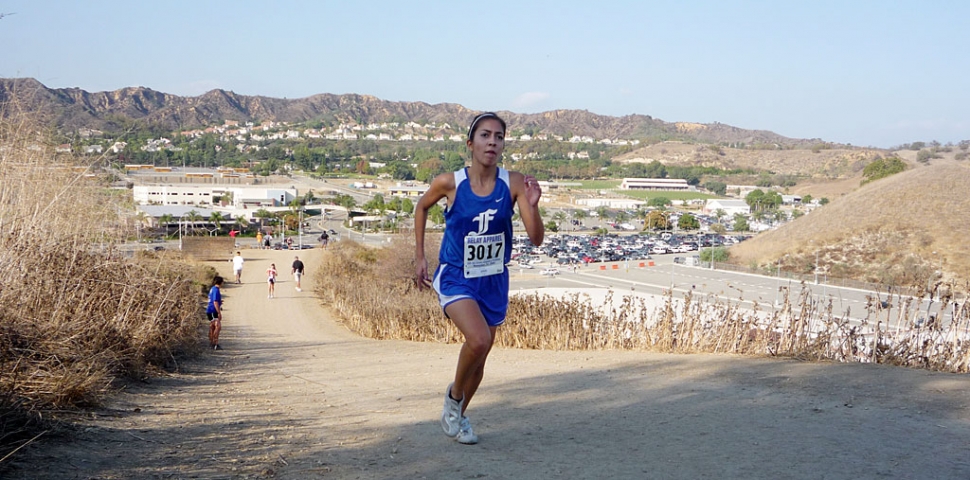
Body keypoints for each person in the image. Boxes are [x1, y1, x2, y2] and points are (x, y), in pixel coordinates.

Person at [414, 112, 543, 445]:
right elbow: (421, 207)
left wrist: (533, 205)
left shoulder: (513, 183)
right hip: (456, 275)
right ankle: (454, 397)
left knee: (481, 358)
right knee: (479, 340)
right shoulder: (450, 182)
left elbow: (536, 238)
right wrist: (419, 256)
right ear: (471, 144)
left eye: (499, 137)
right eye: (485, 135)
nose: (492, 142)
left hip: (493, 280)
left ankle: (459, 416)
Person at [206, 276, 224, 350]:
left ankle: (211, 342)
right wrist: (219, 312)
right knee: (217, 326)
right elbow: (215, 301)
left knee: (212, 326)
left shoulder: (212, 289)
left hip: (209, 309)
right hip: (213, 310)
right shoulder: (216, 290)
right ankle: (215, 343)